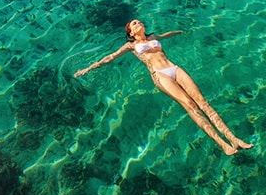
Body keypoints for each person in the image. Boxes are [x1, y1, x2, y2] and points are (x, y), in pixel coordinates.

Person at [74, 19, 253, 156]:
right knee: (190, 105)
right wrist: (88, 69)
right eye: (135, 23)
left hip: (174, 68)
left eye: (139, 21)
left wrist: (181, 31)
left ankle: (233, 138)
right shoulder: (130, 46)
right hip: (160, 76)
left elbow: (165, 35)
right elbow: (110, 57)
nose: (139, 23)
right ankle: (223, 145)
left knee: (202, 101)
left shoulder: (152, 37)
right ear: (130, 32)